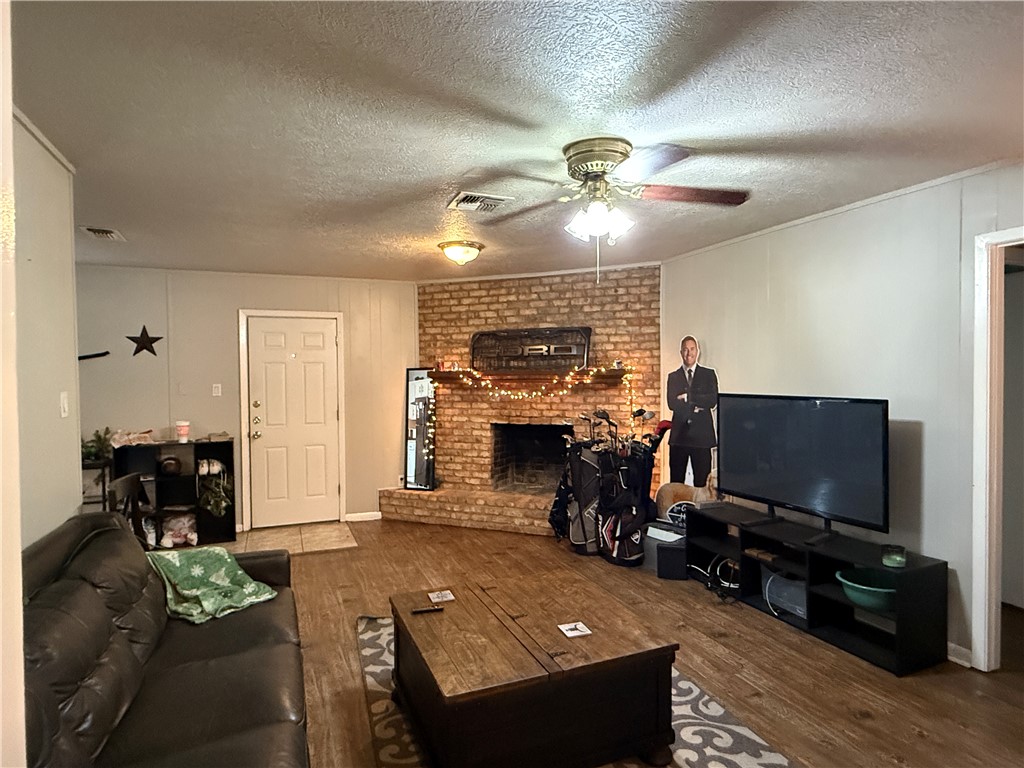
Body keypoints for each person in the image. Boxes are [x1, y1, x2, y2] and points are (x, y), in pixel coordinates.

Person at [666, 335, 719, 487]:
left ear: (698, 351)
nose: (689, 353)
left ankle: (698, 512)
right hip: (679, 438)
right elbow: (672, 403)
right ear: (680, 352)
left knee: (702, 485)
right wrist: (696, 405)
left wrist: (688, 397)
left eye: (692, 349)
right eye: (685, 350)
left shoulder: (708, 374)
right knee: (676, 484)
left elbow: (712, 400)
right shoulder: (673, 377)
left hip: (701, 438)